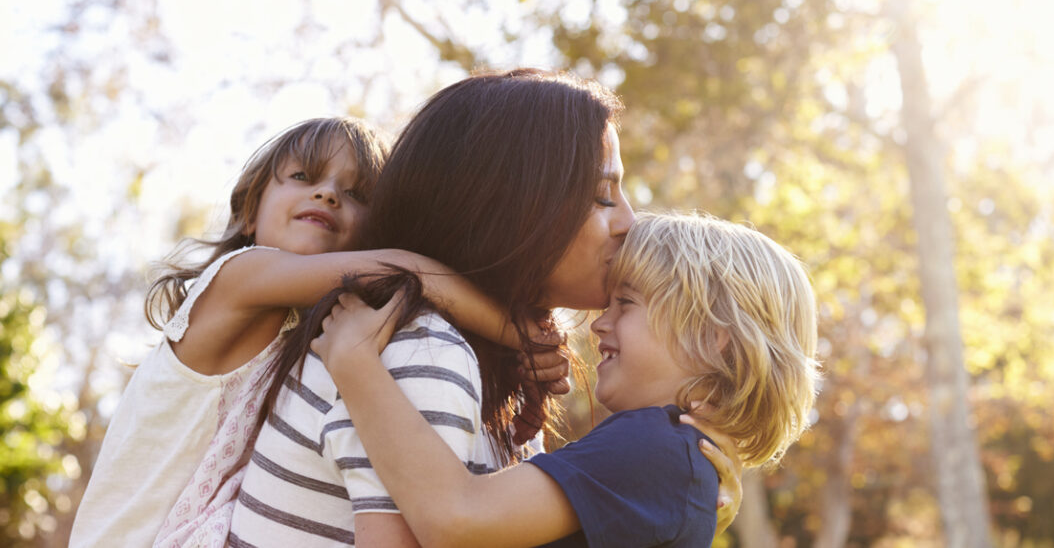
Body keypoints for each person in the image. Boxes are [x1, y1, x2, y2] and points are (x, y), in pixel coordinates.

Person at [228, 71, 740, 547]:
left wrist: (675, 495)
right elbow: (453, 518)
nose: (629, 221)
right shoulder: (421, 351)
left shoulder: (472, 359)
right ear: (513, 205)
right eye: (602, 194)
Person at [69, 117, 563, 548]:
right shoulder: (237, 279)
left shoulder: (308, 330)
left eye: (356, 194)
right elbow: (404, 269)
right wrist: (519, 334)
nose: (327, 193)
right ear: (248, 211)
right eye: (303, 177)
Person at [316, 211, 820, 547]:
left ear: (713, 339)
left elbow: (456, 518)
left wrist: (355, 361)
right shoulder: (676, 460)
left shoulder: (653, 446)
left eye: (626, 303)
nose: (600, 322)